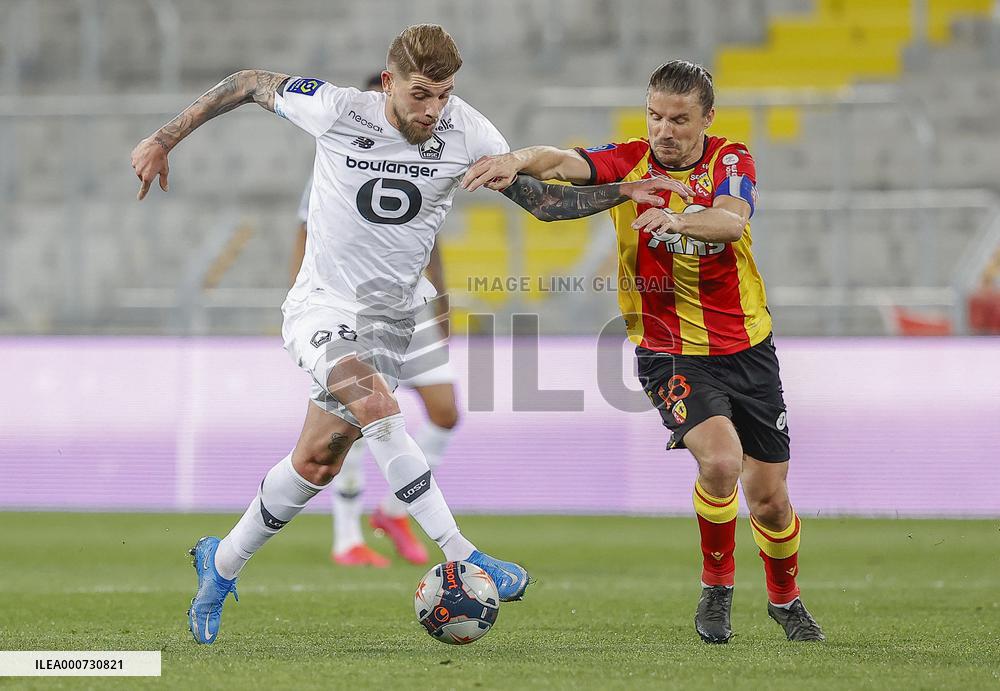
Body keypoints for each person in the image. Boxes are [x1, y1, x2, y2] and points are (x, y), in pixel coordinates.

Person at [130, 24, 683, 644]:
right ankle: (467, 554)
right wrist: (162, 138)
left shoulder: (468, 130)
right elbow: (245, 83)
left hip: (391, 319)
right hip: (322, 305)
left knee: (318, 459)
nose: (433, 110)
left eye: (443, 95)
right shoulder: (338, 109)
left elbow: (541, 203)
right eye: (421, 94)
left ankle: (221, 563)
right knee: (379, 406)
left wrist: (621, 191)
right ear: (389, 83)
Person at [461, 60, 825, 644]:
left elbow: (732, 223)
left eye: (680, 119)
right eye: (655, 116)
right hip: (668, 350)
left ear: (707, 118)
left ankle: (785, 600)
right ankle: (717, 587)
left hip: (748, 348)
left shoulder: (730, 159)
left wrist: (676, 216)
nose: (664, 130)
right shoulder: (630, 162)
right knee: (722, 462)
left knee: (770, 501)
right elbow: (560, 162)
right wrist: (513, 160)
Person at [293, 72, 460, 568]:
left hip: (409, 309)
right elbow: (306, 233)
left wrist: (442, 306)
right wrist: (304, 300)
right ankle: (347, 538)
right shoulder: (341, 155)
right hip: (350, 308)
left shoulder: (431, 156)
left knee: (446, 412)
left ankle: (392, 511)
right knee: (354, 421)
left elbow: (432, 242)